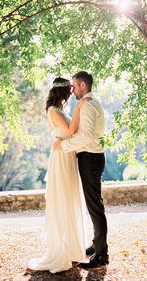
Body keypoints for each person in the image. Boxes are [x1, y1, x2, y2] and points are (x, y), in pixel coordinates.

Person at [28, 77, 89, 273]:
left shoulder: (61, 111)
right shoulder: (53, 111)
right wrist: (80, 108)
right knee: (63, 200)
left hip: (68, 156)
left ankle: (71, 248)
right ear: (62, 92)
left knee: (70, 200)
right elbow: (72, 130)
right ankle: (60, 250)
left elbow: (70, 133)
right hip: (61, 158)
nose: (72, 93)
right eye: (69, 90)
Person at [53, 71, 109, 269]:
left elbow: (84, 137)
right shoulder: (92, 102)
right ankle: (97, 245)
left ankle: (102, 255)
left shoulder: (86, 105)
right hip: (92, 157)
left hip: (90, 158)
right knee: (94, 204)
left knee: (95, 206)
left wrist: (64, 146)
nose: (73, 90)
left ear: (83, 85)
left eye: (75, 86)